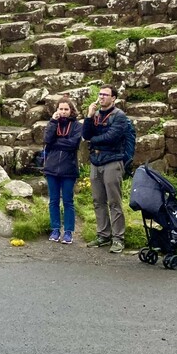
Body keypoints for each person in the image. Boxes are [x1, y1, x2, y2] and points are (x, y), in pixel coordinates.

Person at [82, 84, 130, 254]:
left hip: (112, 162)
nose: (101, 97)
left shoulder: (119, 116)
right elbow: (86, 135)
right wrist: (88, 116)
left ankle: (118, 239)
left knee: (114, 202)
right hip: (96, 161)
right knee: (98, 201)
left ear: (113, 98)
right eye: (100, 94)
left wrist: (94, 140)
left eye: (105, 94)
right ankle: (103, 235)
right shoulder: (95, 114)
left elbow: (112, 137)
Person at [43, 97, 83, 245]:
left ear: (71, 110)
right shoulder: (53, 124)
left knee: (68, 201)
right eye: (61, 109)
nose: (63, 112)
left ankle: (68, 231)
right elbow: (47, 139)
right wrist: (53, 122)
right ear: (57, 110)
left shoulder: (77, 126)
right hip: (52, 168)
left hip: (69, 169)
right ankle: (55, 229)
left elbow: (73, 144)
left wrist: (56, 142)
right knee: (53, 201)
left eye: (66, 109)